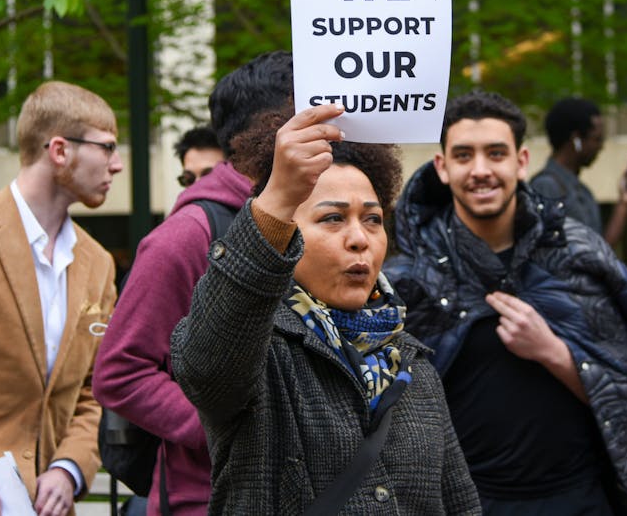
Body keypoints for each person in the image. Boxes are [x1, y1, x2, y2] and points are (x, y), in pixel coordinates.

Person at [384, 90, 627, 515]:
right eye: (464, 155)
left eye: (496, 153)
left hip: (582, 498)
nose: (481, 170)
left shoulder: (577, 253)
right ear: (442, 167)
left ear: (521, 161)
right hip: (468, 503)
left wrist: (554, 352)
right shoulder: (409, 280)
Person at [170, 103, 480, 514]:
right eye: (333, 218)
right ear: (286, 232)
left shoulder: (412, 364)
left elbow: (459, 503)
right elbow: (206, 368)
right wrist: (276, 198)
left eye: (372, 220)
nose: (359, 238)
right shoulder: (258, 352)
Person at [93, 51, 295, 515]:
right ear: (274, 128)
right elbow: (119, 372)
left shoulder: (316, 217)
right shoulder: (185, 236)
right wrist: (222, 429)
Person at [0, 81, 122, 516]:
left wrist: (69, 468)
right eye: (107, 147)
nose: (116, 165)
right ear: (59, 150)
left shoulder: (98, 263)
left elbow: (94, 388)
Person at [530, 96, 627, 247]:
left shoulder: (582, 191)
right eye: (597, 139)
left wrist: (624, 202)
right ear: (576, 140)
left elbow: (601, 253)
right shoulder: (545, 187)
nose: (601, 147)